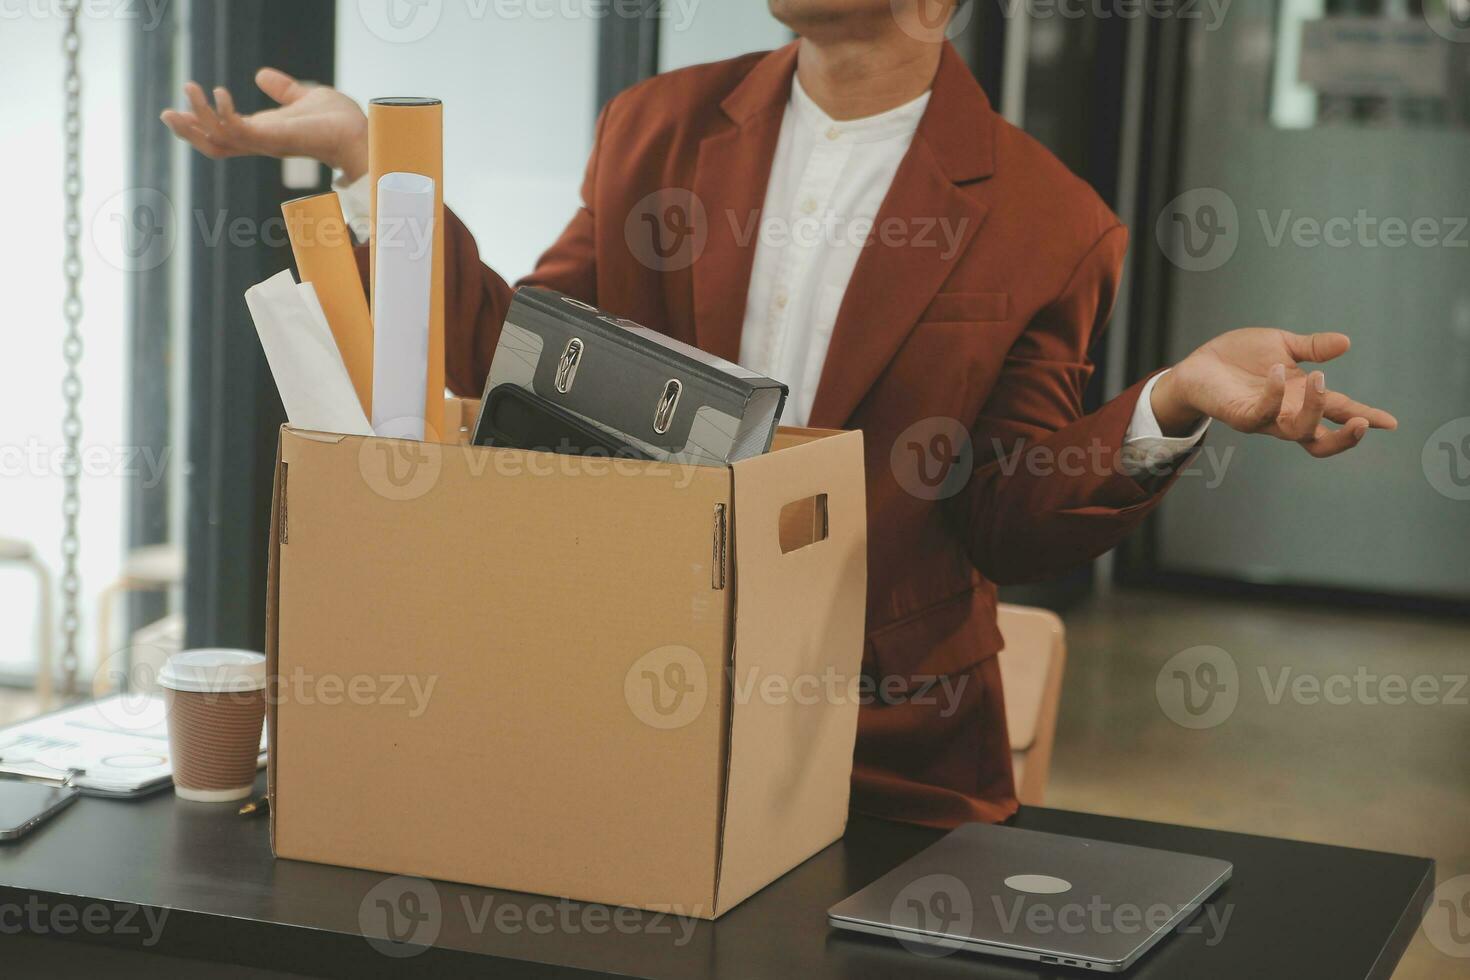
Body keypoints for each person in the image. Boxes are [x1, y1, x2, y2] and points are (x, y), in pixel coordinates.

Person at [162, 0, 1395, 828]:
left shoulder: (1051, 215)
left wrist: (1169, 398)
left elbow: (1010, 511)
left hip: (886, 761)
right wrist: (379, 167)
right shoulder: (657, 124)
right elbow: (517, 361)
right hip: (625, 704)